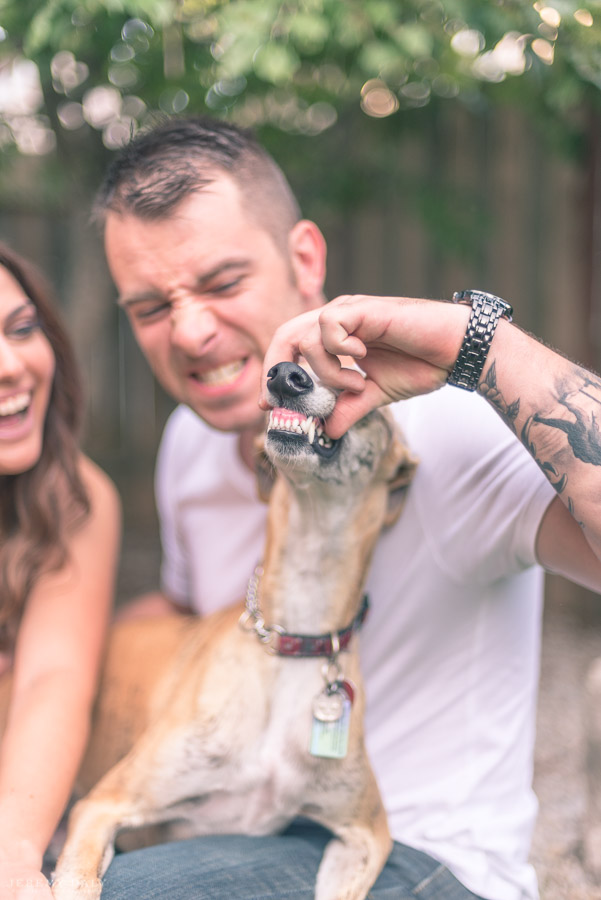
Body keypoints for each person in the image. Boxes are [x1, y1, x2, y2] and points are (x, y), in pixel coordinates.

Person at [92, 115, 601, 900]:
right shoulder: (190, 445)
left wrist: (480, 346)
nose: (190, 331)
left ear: (304, 258)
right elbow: (201, 619)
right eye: (150, 307)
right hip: (254, 832)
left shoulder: (446, 432)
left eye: (222, 283)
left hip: (427, 860)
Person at [0, 244, 121, 900]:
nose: (10, 366)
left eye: (22, 329)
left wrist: (13, 861)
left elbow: (54, 677)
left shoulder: (76, 496)